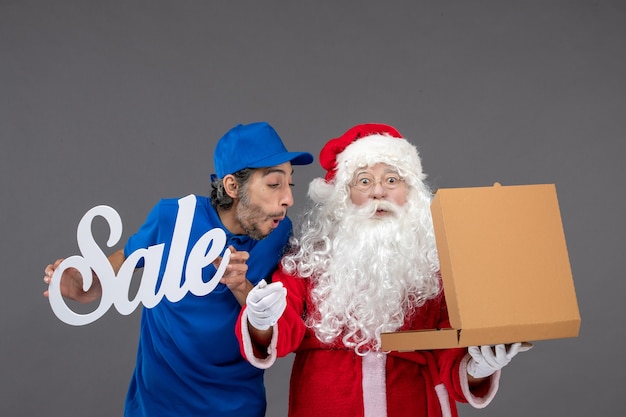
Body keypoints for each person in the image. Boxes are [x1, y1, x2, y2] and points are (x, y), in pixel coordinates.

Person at [236, 123, 532, 417]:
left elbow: (452, 357)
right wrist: (262, 320)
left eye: (392, 180)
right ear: (343, 196)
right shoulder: (307, 261)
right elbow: (281, 329)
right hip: (326, 404)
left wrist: (478, 367)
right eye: (364, 181)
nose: (378, 192)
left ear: (410, 192)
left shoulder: (437, 265)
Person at [43, 121, 313, 417]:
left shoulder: (280, 233)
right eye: (274, 184)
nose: (288, 198)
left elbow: (276, 325)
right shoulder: (174, 218)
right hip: (158, 405)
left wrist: (240, 285)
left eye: (290, 183)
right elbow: (123, 261)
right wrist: (86, 285)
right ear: (232, 186)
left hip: (237, 406)